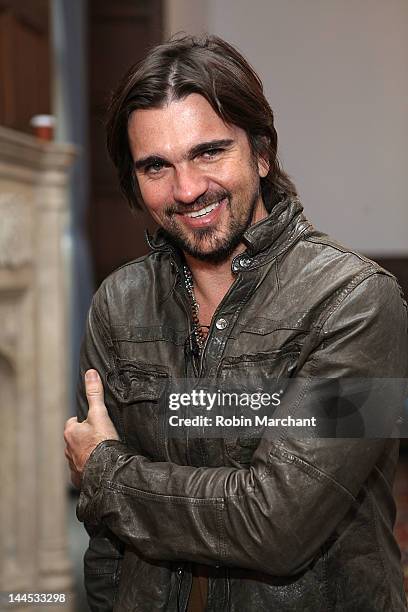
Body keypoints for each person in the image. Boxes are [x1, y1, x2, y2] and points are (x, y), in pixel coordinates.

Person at [64, 35, 408, 611]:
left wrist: (105, 472)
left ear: (262, 152)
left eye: (208, 152)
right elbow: (107, 545)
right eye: (156, 166)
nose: (187, 189)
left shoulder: (360, 304)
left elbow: (276, 525)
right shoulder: (117, 306)